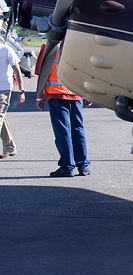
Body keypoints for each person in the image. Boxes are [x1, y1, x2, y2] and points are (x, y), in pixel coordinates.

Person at [35, 42, 89, 177]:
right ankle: (83, 166)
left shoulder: (49, 46)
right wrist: (89, 94)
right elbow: (88, 71)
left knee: (62, 131)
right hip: (76, 95)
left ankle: (67, 166)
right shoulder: (79, 45)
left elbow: (42, 73)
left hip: (56, 94)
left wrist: (39, 97)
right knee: (78, 129)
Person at [1, 40, 26, 159]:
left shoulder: (6, 50)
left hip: (4, 90)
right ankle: (10, 147)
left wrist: (21, 90)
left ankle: (9, 147)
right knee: (2, 118)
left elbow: (17, 71)